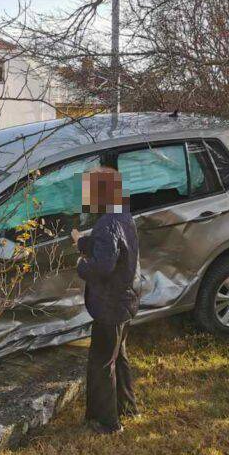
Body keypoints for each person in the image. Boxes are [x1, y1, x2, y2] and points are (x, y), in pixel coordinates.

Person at [71, 167, 140, 434]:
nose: (86, 196)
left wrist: (80, 264)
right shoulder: (122, 216)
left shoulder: (106, 223)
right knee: (118, 356)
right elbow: (113, 247)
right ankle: (127, 406)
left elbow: (102, 266)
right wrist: (82, 243)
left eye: (90, 190)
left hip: (110, 305)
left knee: (101, 362)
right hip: (126, 301)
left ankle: (106, 423)